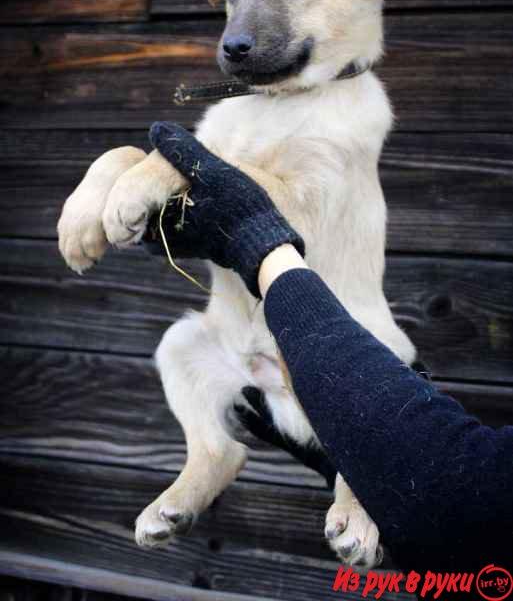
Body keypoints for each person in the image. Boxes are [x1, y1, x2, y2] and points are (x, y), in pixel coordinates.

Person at [146, 120, 513, 579]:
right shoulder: (233, 111)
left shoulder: (346, 118)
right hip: (242, 347)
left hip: (336, 348)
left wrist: (252, 237)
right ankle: (208, 454)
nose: (235, 42)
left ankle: (353, 484)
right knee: (178, 346)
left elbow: (473, 509)